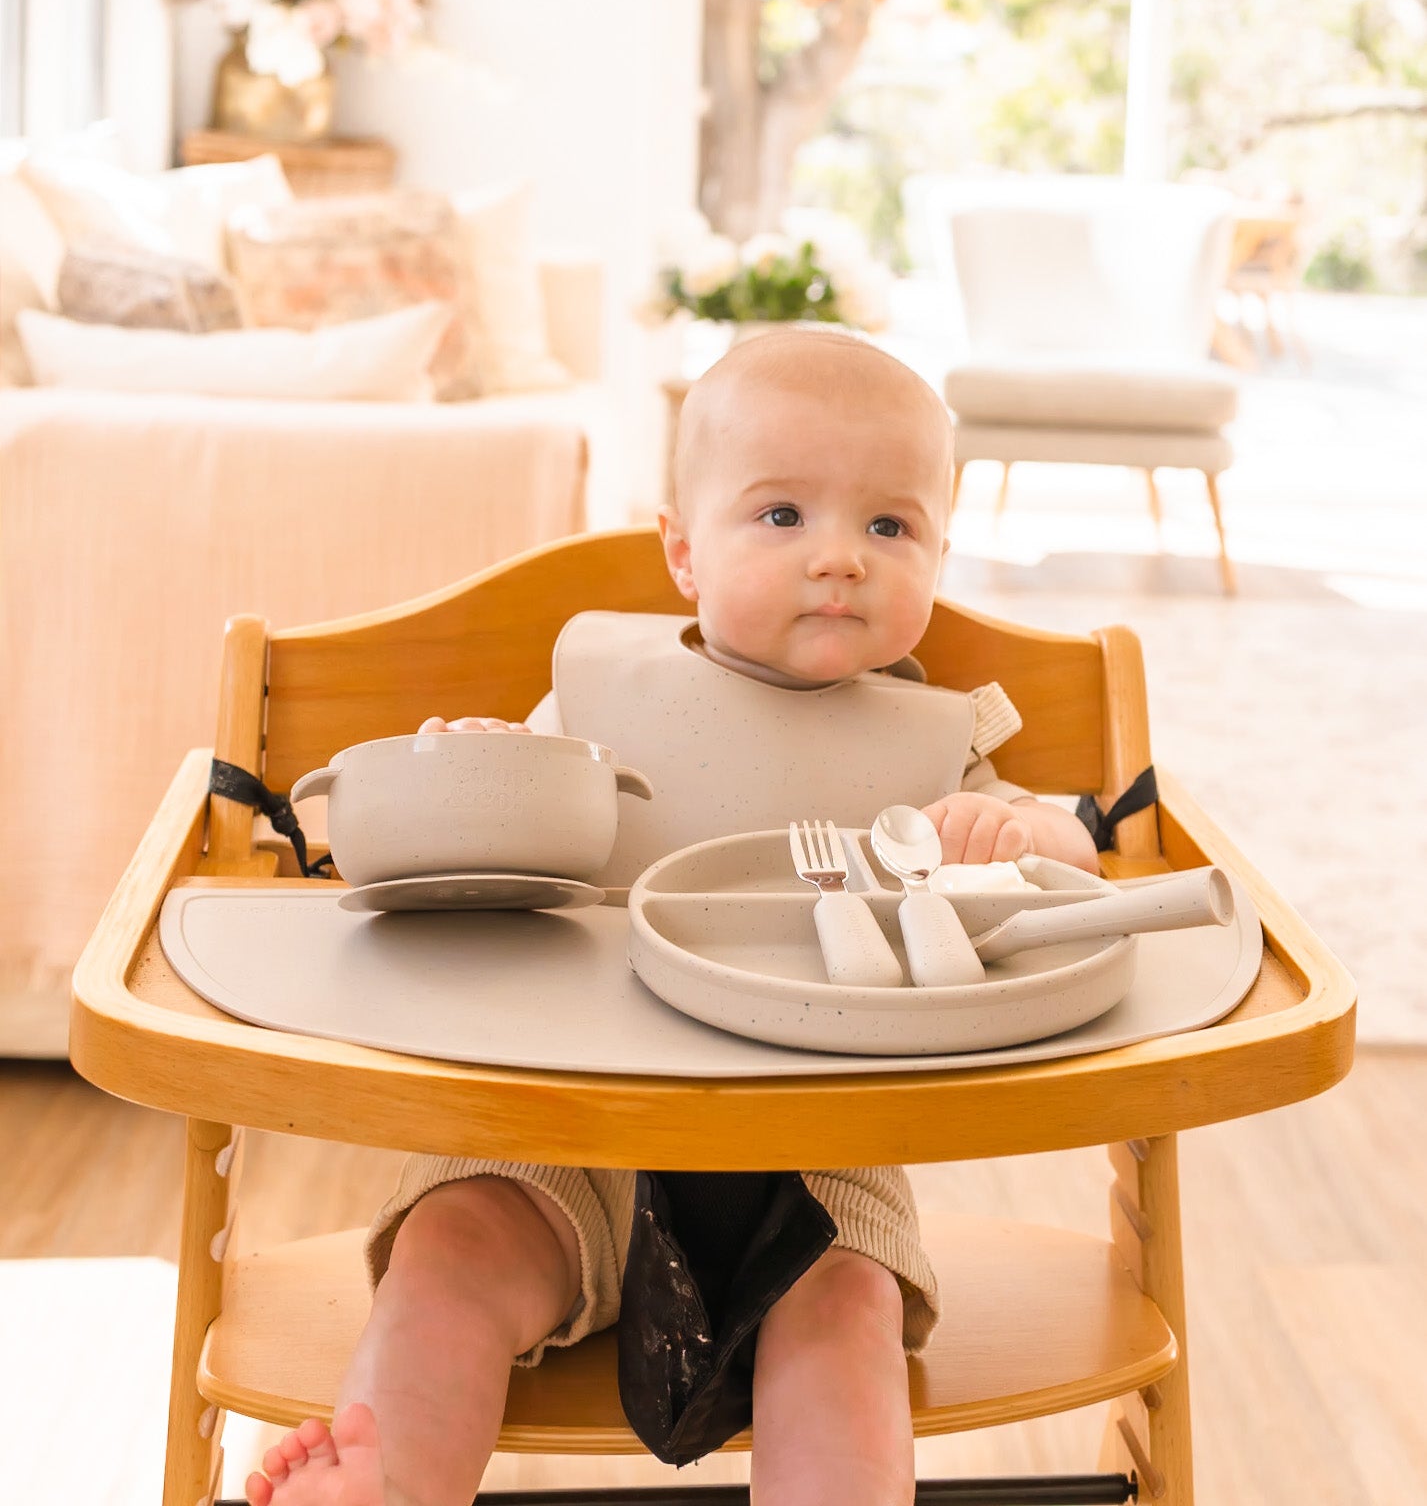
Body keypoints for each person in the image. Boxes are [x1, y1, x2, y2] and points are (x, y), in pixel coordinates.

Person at [246, 328, 1099, 1506]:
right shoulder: (598, 698)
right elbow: (494, 839)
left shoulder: (940, 747)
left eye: (889, 526)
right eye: (782, 515)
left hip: (821, 1146)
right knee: (454, 1242)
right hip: (562, 1118)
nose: (840, 558)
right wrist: (479, 767)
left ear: (940, 552)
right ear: (683, 550)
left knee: (846, 1309)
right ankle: (383, 1477)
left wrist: (1022, 836)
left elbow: (1068, 859)